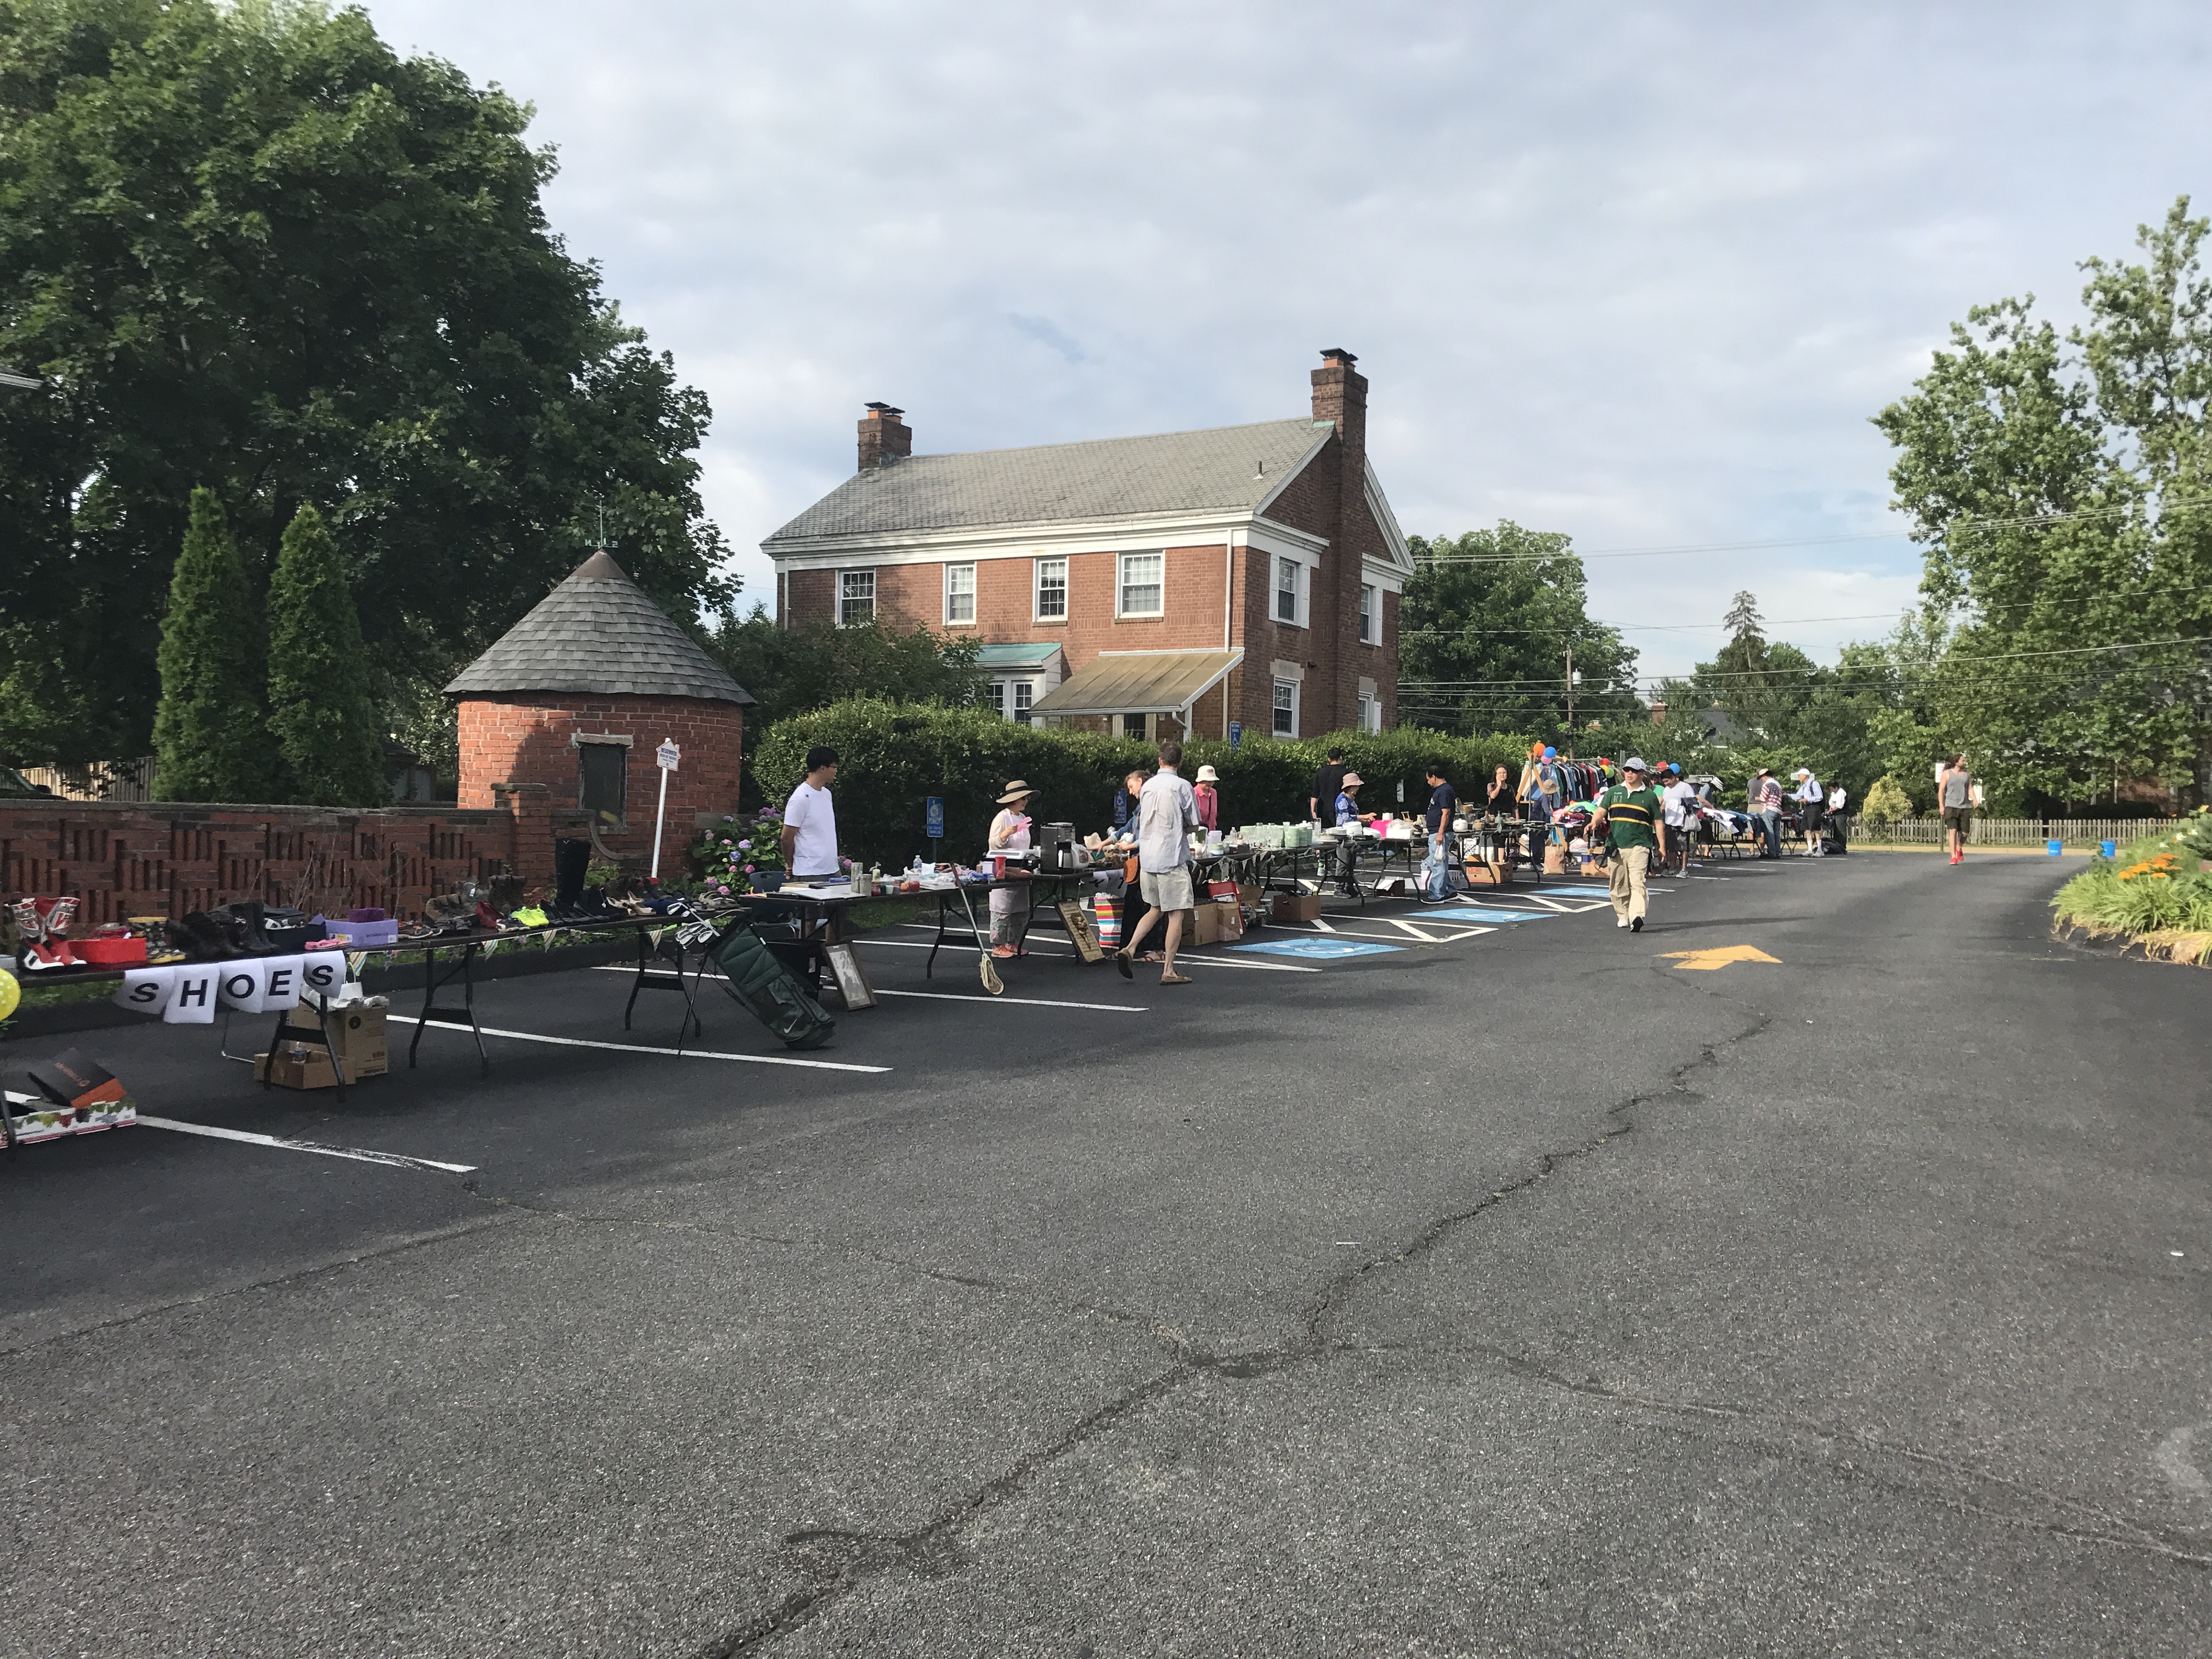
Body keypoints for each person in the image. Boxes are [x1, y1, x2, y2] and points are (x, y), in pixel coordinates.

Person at [1115, 740, 1201, 985]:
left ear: (1160, 761)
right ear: (1180, 762)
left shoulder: (1148, 787)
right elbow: (1194, 824)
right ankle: (1169, 970)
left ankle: (1130, 948)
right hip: (1171, 857)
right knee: (1176, 913)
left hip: (1148, 857)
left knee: (1155, 908)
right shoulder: (1183, 786)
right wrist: (1181, 826)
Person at [1594, 756, 1666, 932]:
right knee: (1618, 884)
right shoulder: (1613, 792)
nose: (1629, 773)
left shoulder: (1650, 796)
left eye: (1634, 771)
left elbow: (1658, 822)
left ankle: (1637, 916)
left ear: (1642, 773)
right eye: (1627, 770)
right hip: (1616, 845)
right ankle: (1623, 915)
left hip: (1640, 845)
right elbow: (1601, 811)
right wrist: (1593, 822)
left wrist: (1662, 847)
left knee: (1638, 881)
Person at [986, 780, 1036, 959]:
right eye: (1023, 798)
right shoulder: (1002, 818)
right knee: (1003, 907)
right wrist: (1006, 833)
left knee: (1020, 908)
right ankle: (998, 945)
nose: (1026, 801)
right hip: (1004, 866)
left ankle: (1014, 943)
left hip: (1021, 864)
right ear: (1014, 799)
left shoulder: (1022, 818)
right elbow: (993, 843)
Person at [780, 745, 842, 880]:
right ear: (823, 768)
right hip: (810, 872)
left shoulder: (826, 794)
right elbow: (786, 838)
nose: (836, 771)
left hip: (833, 870)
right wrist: (790, 864)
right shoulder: (800, 798)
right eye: (834, 767)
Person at [1421, 763, 1459, 899]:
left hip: (1439, 832)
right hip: (1437, 831)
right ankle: (1449, 889)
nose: (1428, 782)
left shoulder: (1444, 791)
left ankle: (1437, 894)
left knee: (1438, 864)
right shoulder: (1443, 790)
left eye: (1429, 779)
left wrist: (1440, 833)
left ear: (1434, 777)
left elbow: (1446, 813)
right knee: (1438, 862)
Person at [1329, 771, 1365, 894]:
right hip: (1343, 835)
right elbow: (1346, 818)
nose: (1358, 788)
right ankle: (1339, 888)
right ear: (1351, 786)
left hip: (1351, 834)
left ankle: (1348, 886)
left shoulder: (1351, 799)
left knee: (1351, 862)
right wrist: (1363, 817)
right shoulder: (1342, 799)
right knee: (1343, 862)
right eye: (1357, 786)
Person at [1661, 763, 1698, 876]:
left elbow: (1694, 802)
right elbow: (1664, 805)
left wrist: (1682, 803)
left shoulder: (1685, 787)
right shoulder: (1666, 790)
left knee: (1683, 846)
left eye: (1668, 781)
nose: (1667, 784)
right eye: (1664, 782)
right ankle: (1672, 868)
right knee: (1671, 847)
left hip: (1682, 821)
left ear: (1673, 778)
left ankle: (1684, 869)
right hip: (1669, 821)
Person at [1939, 753, 1974, 865]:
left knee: (1965, 833)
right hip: (1951, 805)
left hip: (1964, 806)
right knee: (1953, 831)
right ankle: (1953, 857)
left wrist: (1974, 799)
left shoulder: (1966, 775)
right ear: (1956, 762)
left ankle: (1959, 847)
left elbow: (1970, 788)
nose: (1965, 763)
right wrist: (1941, 805)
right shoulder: (1947, 773)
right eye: (1963, 761)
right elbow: (1941, 790)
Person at [1308, 746, 1347, 823]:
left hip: (1322, 810)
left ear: (1329, 759)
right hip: (1339, 809)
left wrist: (1313, 811)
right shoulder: (1345, 772)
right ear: (1340, 758)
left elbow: (1315, 795)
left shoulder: (1320, 772)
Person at [1752, 766, 1784, 858]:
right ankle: (1778, 852)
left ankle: (1771, 852)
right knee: (1777, 832)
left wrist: (1756, 798)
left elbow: (1763, 799)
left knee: (1769, 831)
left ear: (1765, 776)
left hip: (1769, 809)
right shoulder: (1778, 784)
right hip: (1778, 809)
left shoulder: (1766, 785)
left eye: (1762, 778)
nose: (1762, 780)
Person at [1794, 767, 1825, 856]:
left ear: (1805, 776)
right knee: (1807, 829)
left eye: (1800, 775)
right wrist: (1787, 795)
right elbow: (1798, 795)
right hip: (1807, 808)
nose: (1799, 777)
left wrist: (1808, 799)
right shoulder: (1804, 786)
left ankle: (1820, 850)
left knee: (1815, 829)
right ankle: (1810, 850)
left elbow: (1820, 797)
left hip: (1814, 807)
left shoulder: (1814, 784)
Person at [1112, 769, 1148, 836]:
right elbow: (1129, 826)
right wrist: (1111, 839)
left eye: (1131, 787)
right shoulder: (1140, 806)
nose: (1130, 792)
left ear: (1140, 781)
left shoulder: (1150, 805)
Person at [1193, 764, 1221, 833]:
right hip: (1196, 832)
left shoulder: (1214, 793)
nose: (1210, 783)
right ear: (1200, 780)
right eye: (1207, 781)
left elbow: (1213, 816)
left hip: (1211, 832)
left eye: (1212, 781)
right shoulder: (1193, 793)